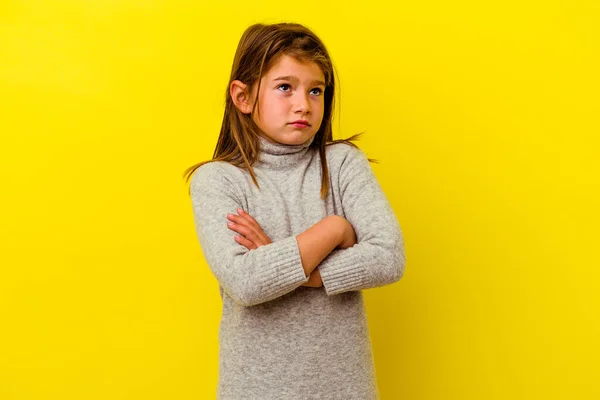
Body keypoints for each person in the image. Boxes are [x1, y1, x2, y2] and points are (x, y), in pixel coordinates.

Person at [184, 22, 406, 400]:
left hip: (345, 390)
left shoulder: (341, 164)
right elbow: (246, 282)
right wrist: (335, 231)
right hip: (255, 391)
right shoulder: (217, 181)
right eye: (285, 87)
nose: (303, 104)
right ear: (243, 96)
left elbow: (389, 257)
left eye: (315, 90)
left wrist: (297, 268)